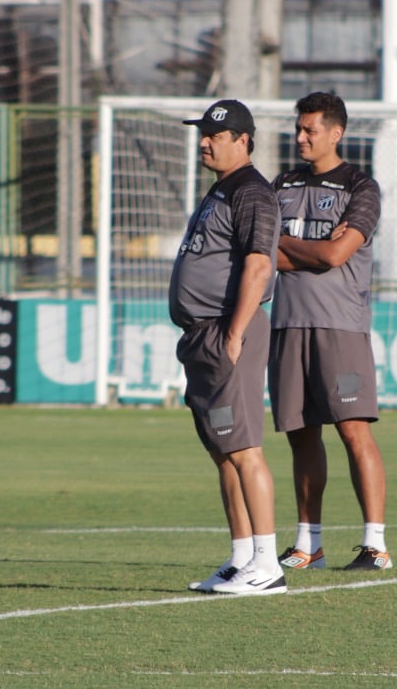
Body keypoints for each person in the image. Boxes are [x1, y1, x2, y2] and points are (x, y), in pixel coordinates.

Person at [269, 91, 391, 571]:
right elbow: (261, 255)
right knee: (300, 435)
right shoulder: (280, 183)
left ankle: (376, 545)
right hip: (287, 323)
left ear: (335, 133)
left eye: (309, 130)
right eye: (298, 129)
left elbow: (335, 256)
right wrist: (310, 248)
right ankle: (308, 545)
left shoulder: (361, 187)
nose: (300, 137)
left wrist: (286, 246)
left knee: (353, 431)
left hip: (340, 326)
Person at [169, 99, 286, 595]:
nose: (204, 141)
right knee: (223, 449)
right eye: (203, 133)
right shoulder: (222, 189)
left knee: (244, 449)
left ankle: (267, 563)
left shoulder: (253, 192)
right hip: (202, 333)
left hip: (225, 330)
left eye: (215, 135)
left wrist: (235, 334)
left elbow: (259, 267)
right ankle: (241, 557)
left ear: (243, 140)